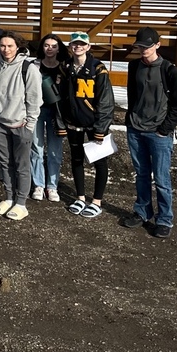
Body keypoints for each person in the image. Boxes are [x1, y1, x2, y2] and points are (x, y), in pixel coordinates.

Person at [121, 27, 177, 239]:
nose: (143, 50)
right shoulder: (134, 66)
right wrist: (130, 121)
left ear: (157, 45)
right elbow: (132, 94)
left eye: (147, 46)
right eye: (140, 46)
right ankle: (142, 212)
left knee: (161, 178)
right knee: (141, 174)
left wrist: (164, 130)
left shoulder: (169, 70)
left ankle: (164, 219)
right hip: (136, 129)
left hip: (158, 132)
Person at [0, 31, 41, 221]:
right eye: (2, 46)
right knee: (5, 163)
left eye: (10, 46)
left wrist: (30, 125)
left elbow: (34, 99)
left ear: (18, 46)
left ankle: (21, 202)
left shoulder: (28, 68)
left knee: (22, 166)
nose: (6, 49)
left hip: (21, 125)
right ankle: (9, 197)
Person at [59, 32, 114, 218]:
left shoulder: (98, 68)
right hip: (73, 123)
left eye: (82, 44)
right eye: (75, 44)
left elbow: (106, 100)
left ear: (88, 47)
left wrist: (101, 127)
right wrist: (61, 121)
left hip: (93, 123)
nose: (78, 47)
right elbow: (60, 97)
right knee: (76, 160)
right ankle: (80, 197)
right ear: (70, 46)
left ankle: (97, 201)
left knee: (99, 161)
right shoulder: (65, 67)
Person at [30, 34, 67, 203]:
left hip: (57, 114)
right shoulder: (34, 66)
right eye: (46, 45)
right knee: (36, 148)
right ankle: (38, 184)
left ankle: (52, 186)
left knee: (54, 151)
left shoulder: (64, 67)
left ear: (59, 48)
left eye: (53, 46)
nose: (49, 49)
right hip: (37, 110)